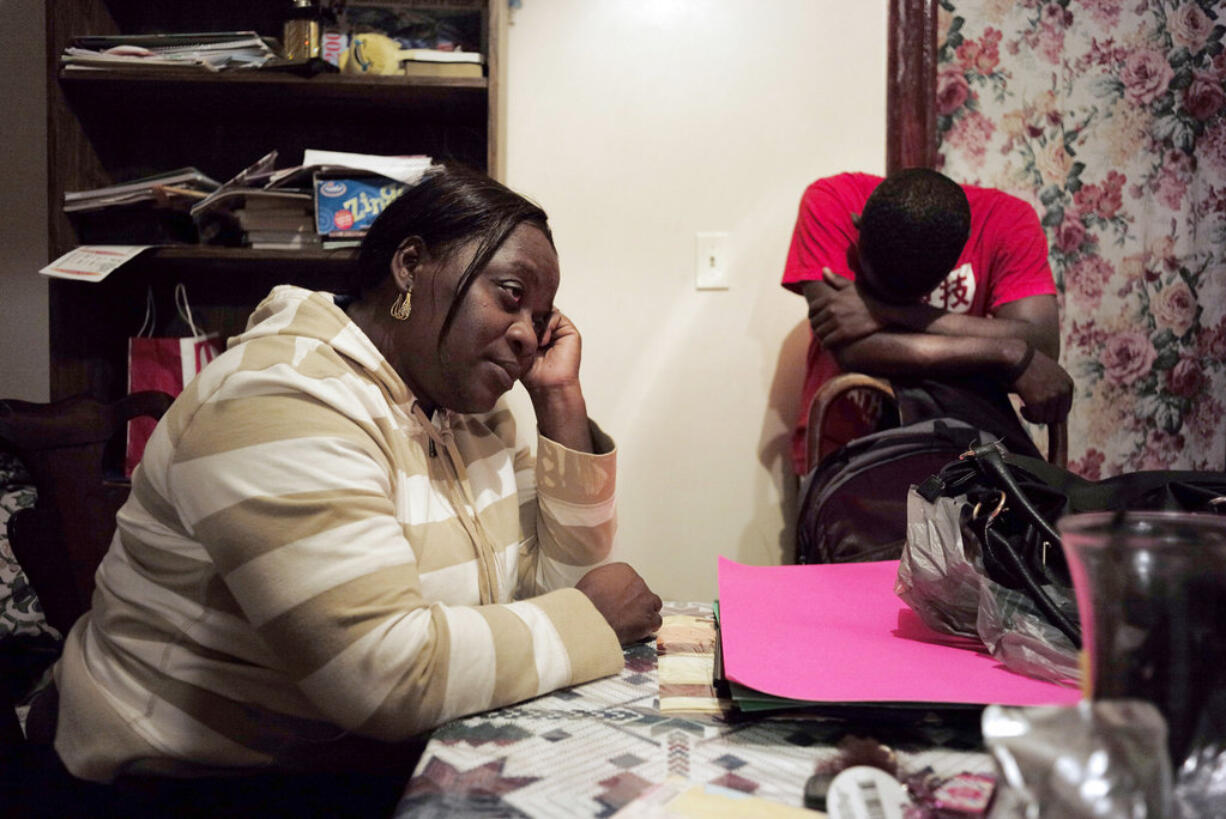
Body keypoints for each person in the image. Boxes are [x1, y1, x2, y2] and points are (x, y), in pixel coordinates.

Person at [45, 166, 662, 809]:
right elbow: (387, 676)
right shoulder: (279, 396)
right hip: (187, 780)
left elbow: (559, 591)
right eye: (510, 295)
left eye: (540, 318)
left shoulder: (473, 413)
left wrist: (559, 397)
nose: (529, 337)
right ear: (410, 265)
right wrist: (591, 619)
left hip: (363, 754)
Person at [781, 168, 1073, 474]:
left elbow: (1042, 346)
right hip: (844, 449)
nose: (880, 308)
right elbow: (849, 347)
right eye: (874, 293)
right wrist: (1006, 353)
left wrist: (889, 311)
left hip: (958, 454)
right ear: (858, 226)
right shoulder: (833, 199)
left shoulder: (1007, 220)